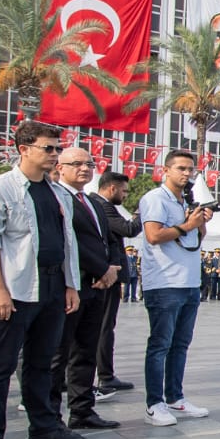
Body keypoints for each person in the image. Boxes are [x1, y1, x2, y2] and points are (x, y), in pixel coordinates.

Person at [0, 122, 84, 439]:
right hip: (16, 288)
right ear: (24, 149)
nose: (54, 155)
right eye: (48, 149)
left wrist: (70, 284)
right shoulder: (0, 189)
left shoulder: (58, 192)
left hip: (51, 286)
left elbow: (67, 244)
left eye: (56, 149)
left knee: (43, 363)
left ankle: (44, 427)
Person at [137, 150, 215, 427]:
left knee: (180, 344)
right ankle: (154, 403)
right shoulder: (156, 199)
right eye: (181, 168)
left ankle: (175, 397)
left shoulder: (186, 200)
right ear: (166, 170)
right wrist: (187, 225)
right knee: (160, 344)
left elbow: (197, 237)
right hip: (164, 282)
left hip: (190, 281)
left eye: (190, 169)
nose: (186, 173)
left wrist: (200, 222)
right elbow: (154, 235)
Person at [51, 145, 123, 433]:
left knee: (86, 350)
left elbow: (109, 240)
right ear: (61, 167)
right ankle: (50, 417)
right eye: (77, 163)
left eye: (89, 163)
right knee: (60, 353)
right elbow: (70, 243)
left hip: (98, 286)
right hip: (71, 284)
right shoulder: (57, 198)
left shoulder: (92, 202)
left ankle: (82, 410)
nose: (84, 168)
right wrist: (101, 269)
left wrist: (112, 268)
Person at [92, 170, 138, 396]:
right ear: (112, 188)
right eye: (124, 191)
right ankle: (105, 377)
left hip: (106, 275)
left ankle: (105, 375)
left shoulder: (99, 204)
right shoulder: (103, 206)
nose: (125, 196)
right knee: (103, 328)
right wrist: (142, 214)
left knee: (104, 327)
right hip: (105, 275)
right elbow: (128, 230)